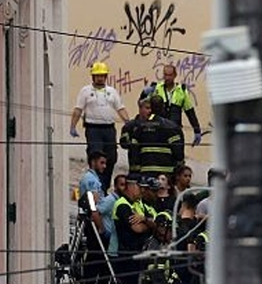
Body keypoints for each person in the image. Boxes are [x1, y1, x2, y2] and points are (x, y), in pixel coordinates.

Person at [70, 62, 131, 191]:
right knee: (96, 157)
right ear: (93, 77)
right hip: (93, 129)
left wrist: (128, 123)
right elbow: (78, 109)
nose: (100, 78)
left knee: (111, 158)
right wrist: (73, 126)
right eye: (97, 76)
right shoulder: (85, 91)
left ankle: (105, 185)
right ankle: (94, 184)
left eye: (102, 75)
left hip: (108, 129)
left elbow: (120, 108)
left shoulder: (112, 91)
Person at [120, 95, 184, 178]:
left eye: (150, 108)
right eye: (147, 108)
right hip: (164, 172)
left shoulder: (140, 127)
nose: (149, 111)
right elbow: (178, 152)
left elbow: (134, 149)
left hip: (148, 171)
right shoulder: (171, 126)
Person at [144, 64, 204, 145]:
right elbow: (143, 106)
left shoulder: (181, 91)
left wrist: (197, 130)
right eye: (165, 75)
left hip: (175, 131)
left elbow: (190, 112)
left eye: (170, 75)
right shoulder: (157, 88)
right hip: (158, 130)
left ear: (175, 75)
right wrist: (144, 93)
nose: (167, 78)